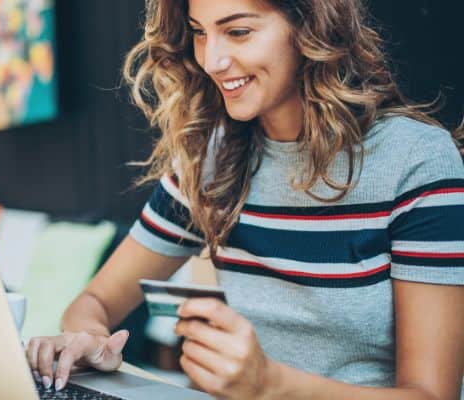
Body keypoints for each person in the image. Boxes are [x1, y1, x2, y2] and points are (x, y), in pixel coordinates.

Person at [24, 0, 464, 398]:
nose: (212, 60)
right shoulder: (209, 162)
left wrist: (270, 384)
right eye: (200, 32)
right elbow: (94, 302)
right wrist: (87, 337)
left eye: (238, 32)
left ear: (310, 26)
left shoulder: (416, 160)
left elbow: (431, 394)